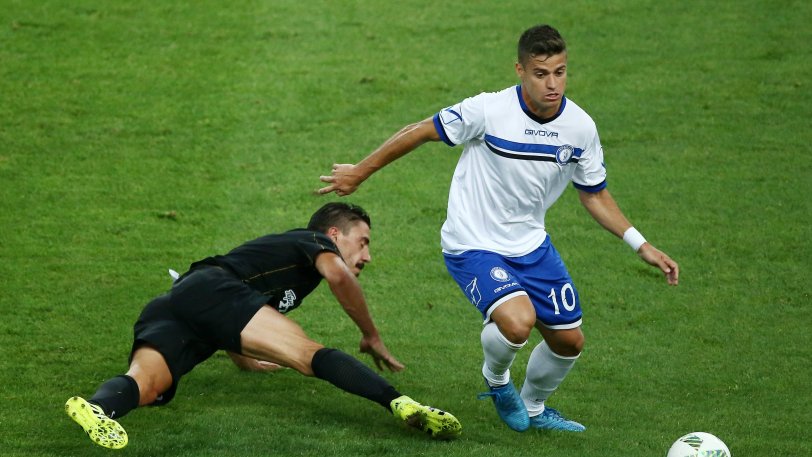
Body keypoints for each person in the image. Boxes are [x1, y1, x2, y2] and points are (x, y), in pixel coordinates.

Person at [318, 25, 679, 433]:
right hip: (472, 243)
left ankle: (535, 408)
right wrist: (360, 172)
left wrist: (641, 244)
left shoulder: (580, 128)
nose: (552, 84)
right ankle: (497, 380)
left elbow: (594, 194)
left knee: (569, 342)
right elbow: (420, 131)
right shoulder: (488, 110)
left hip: (531, 245)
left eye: (560, 72)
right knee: (518, 321)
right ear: (520, 71)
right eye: (541, 73)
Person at [65, 202, 462, 449]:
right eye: (363, 241)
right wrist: (371, 335)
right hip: (212, 288)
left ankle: (97, 408)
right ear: (334, 234)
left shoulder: (292, 270)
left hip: (176, 302)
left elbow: (234, 317)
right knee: (307, 354)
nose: (368, 255)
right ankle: (401, 403)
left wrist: (245, 359)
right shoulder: (314, 242)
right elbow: (340, 278)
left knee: (145, 385)